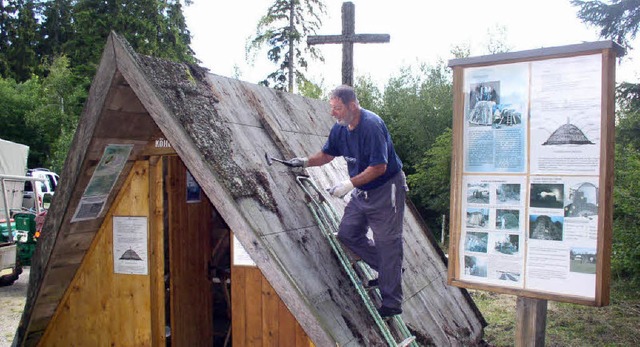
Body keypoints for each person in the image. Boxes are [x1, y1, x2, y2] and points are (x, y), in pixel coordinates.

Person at [288, 85, 407, 318]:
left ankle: (392, 302)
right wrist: (304, 162)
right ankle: (388, 271)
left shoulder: (372, 126)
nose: (334, 113)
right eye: (332, 108)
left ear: (353, 105)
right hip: (363, 191)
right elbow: (327, 154)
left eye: (338, 108)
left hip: (386, 189)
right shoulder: (340, 130)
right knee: (348, 234)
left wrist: (349, 184)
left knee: (388, 243)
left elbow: (379, 167)